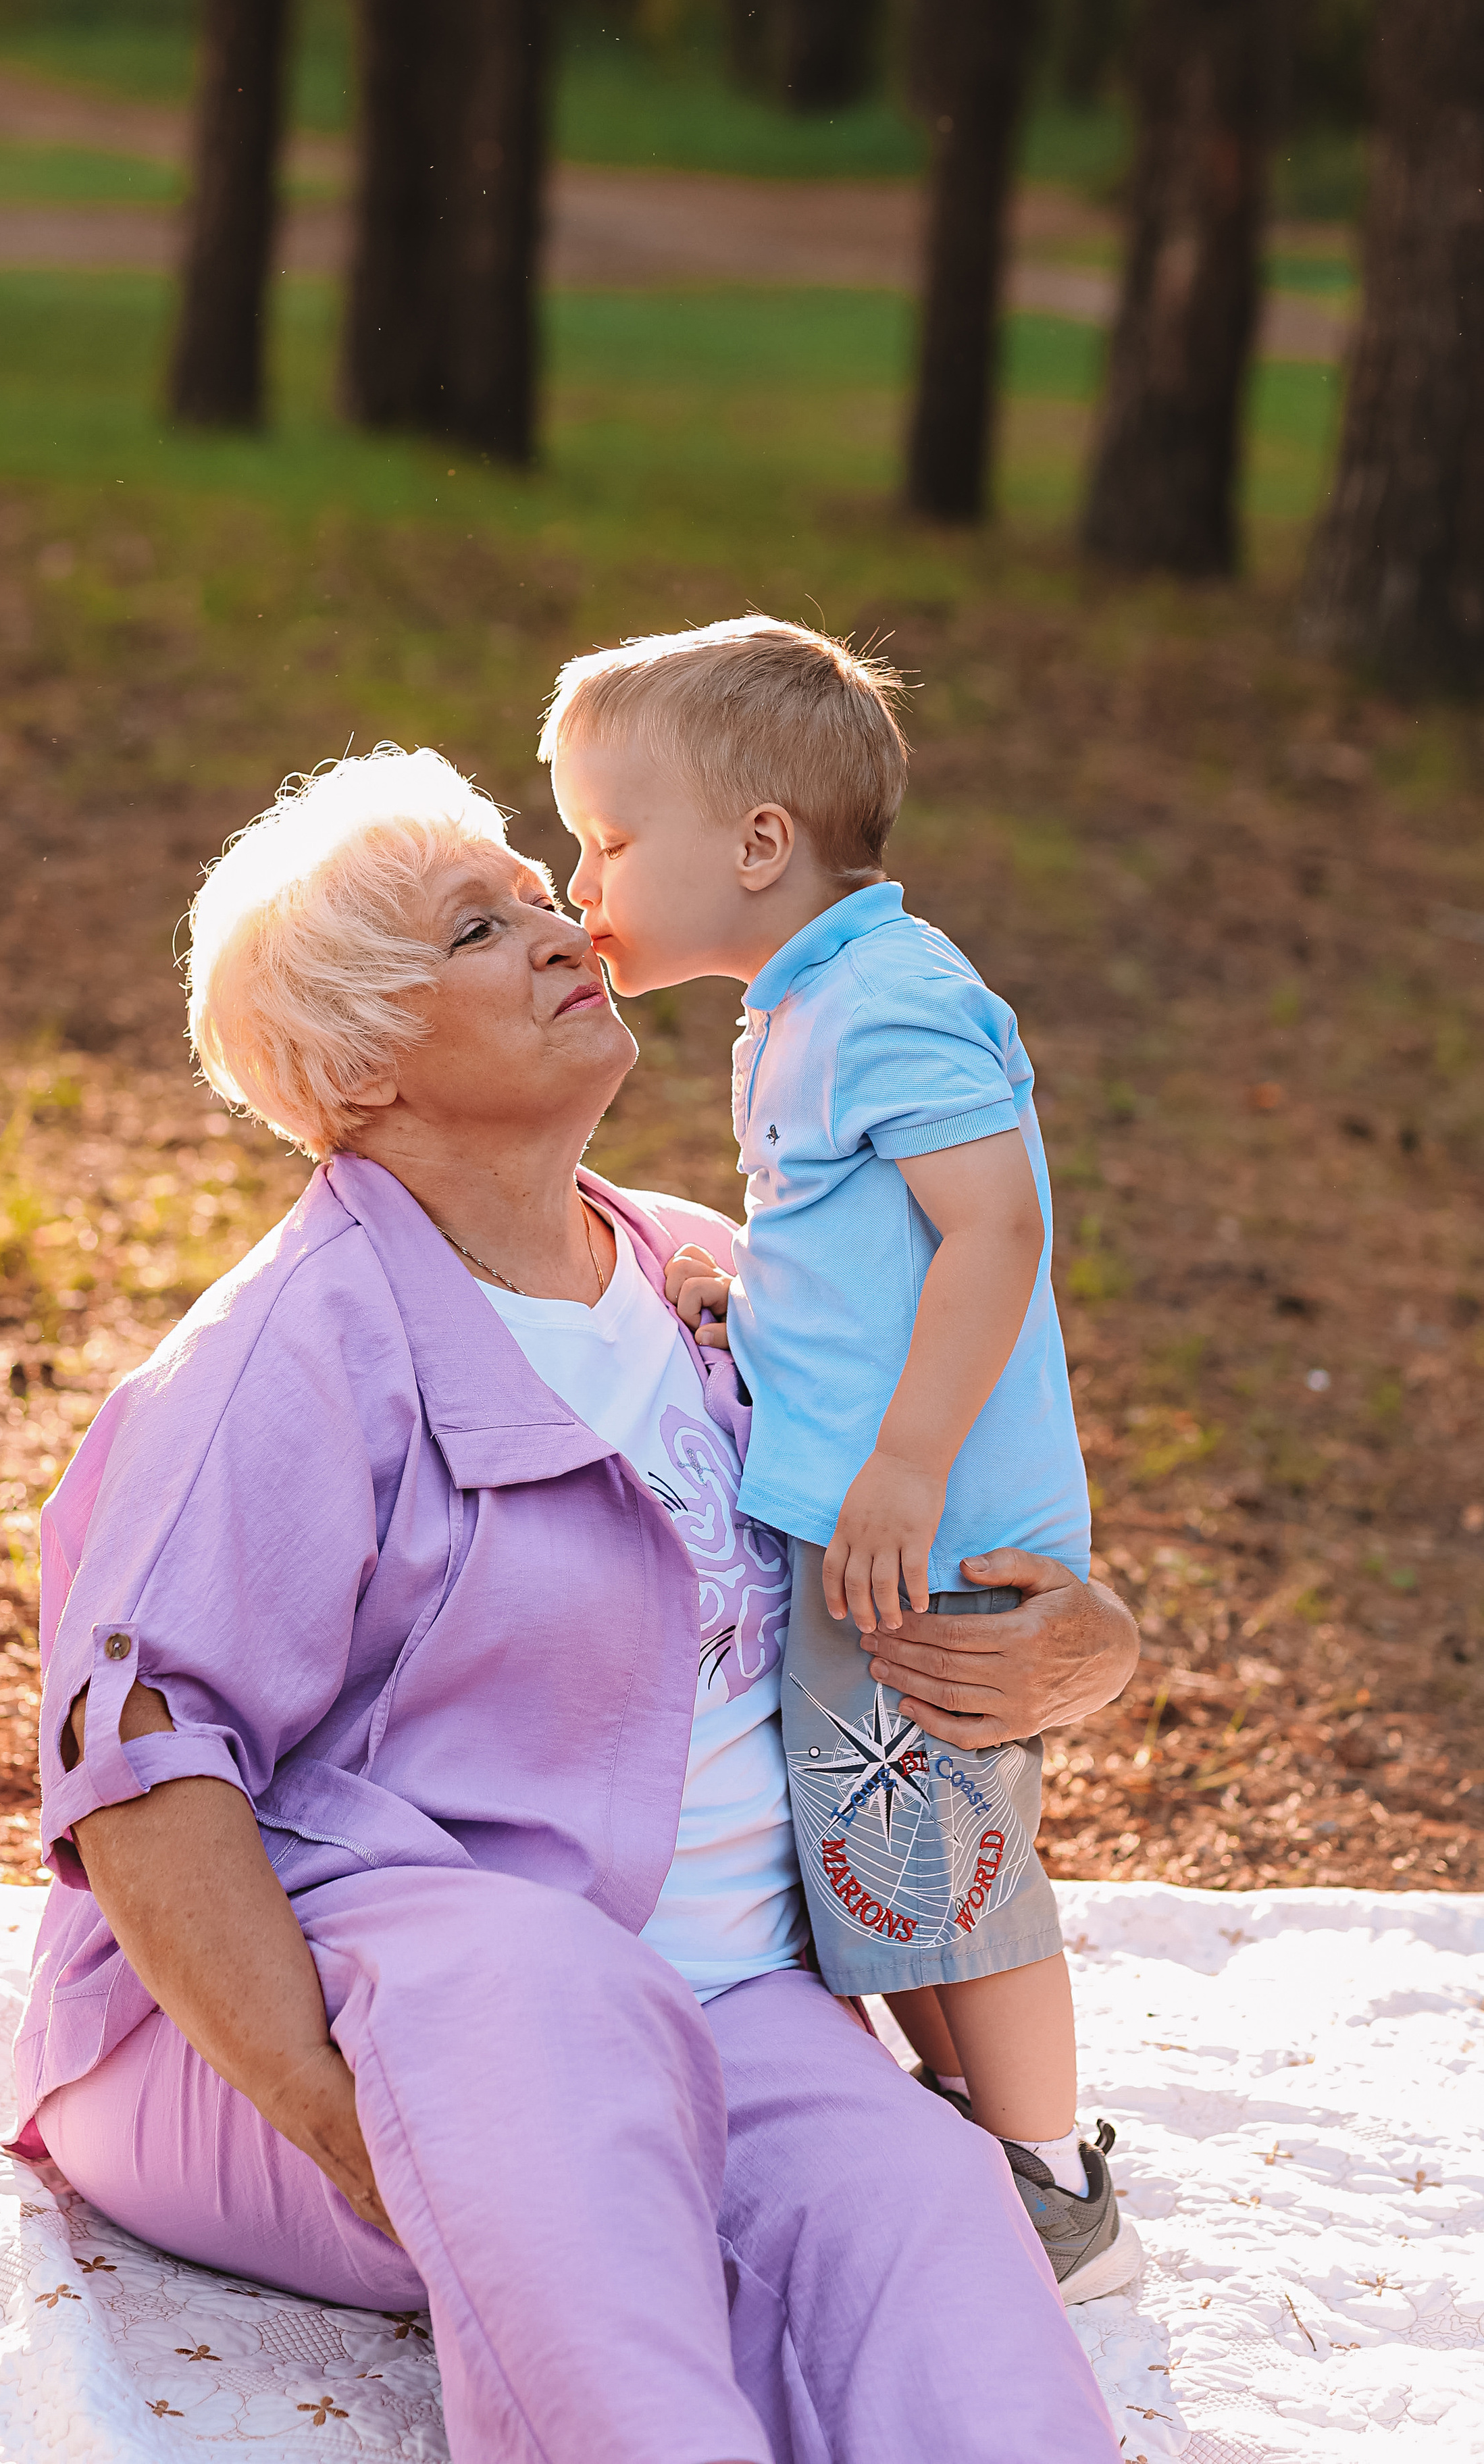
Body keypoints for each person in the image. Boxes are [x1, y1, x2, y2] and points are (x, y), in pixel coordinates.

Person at [15, 745, 1139, 2464]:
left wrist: (1082, 1642)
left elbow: (949, 1513)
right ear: (359, 1058)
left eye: (545, 898)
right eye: (483, 926)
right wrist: (355, 2131)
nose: (559, 931)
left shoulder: (713, 1273)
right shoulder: (280, 1361)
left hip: (726, 2008)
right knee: (551, 2002)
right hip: (309, 2035)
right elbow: (145, 1765)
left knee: (930, 2224)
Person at [545, 616, 1140, 2302]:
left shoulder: (887, 997)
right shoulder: (802, 1003)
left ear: (754, 845)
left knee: (953, 1853)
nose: (577, 877)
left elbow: (992, 1229)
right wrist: (760, 1306)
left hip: (926, 1527)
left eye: (604, 839)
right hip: (873, 1503)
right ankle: (977, 2126)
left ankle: (1048, 2184)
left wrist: (899, 1464)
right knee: (885, 1860)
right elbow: (871, 1239)